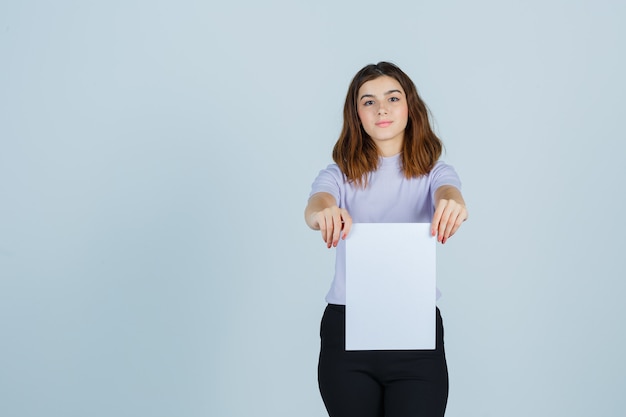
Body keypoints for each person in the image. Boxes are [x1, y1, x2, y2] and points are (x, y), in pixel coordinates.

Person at [304, 61, 468, 417]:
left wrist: (451, 201)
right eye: (368, 101)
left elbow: (448, 191)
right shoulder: (340, 174)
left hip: (415, 333)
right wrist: (324, 213)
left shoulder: (435, 172)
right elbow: (318, 202)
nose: (381, 108)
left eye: (393, 98)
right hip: (346, 333)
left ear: (410, 107)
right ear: (356, 114)